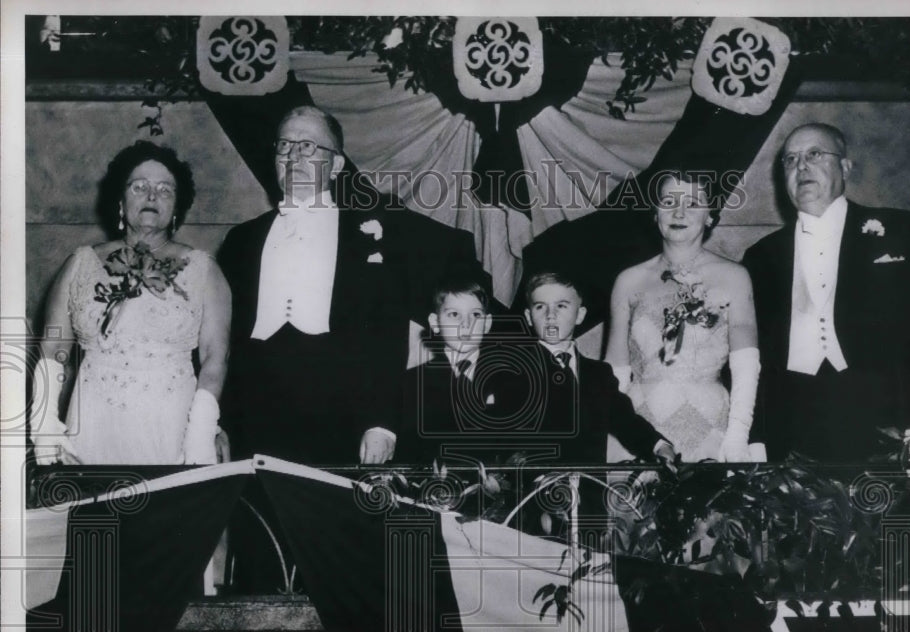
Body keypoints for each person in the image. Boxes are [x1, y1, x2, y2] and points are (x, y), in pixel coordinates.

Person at [741, 123, 910, 462]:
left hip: (883, 421)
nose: (801, 166)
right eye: (790, 159)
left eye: (814, 154)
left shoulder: (899, 230)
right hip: (789, 425)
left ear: (845, 167)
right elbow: (755, 356)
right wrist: (756, 438)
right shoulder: (761, 256)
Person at [217, 105, 408, 466]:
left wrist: (382, 423)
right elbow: (221, 338)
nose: (293, 156)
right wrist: (217, 421)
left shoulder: (371, 234)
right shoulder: (241, 240)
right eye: (284, 145)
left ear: (336, 165)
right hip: (252, 416)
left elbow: (389, 333)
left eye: (307, 146)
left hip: (342, 416)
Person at [30, 141, 230, 465]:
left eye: (165, 189)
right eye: (139, 187)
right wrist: (44, 423)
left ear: (176, 207)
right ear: (121, 201)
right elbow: (54, 350)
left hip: (171, 428)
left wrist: (201, 431)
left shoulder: (204, 270)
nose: (152, 196)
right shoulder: (80, 263)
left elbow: (215, 357)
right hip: (93, 422)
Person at [605, 171, 761, 462]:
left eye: (692, 203)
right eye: (668, 202)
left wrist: (738, 437)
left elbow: (746, 367)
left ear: (710, 216)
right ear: (655, 213)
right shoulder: (628, 281)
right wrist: (612, 435)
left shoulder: (735, 277)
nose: (679, 212)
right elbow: (615, 374)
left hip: (709, 427)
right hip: (639, 426)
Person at [523, 272, 677, 467]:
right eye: (540, 306)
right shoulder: (516, 372)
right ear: (529, 317)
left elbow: (625, 421)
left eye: (561, 306)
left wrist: (658, 446)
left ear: (580, 315)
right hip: (536, 484)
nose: (550, 315)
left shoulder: (599, 374)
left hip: (591, 485)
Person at [394, 275, 524, 465]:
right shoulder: (413, 383)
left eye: (475, 315)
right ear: (435, 323)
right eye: (454, 314)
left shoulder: (510, 380)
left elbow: (518, 447)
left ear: (487, 323)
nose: (466, 324)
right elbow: (408, 453)